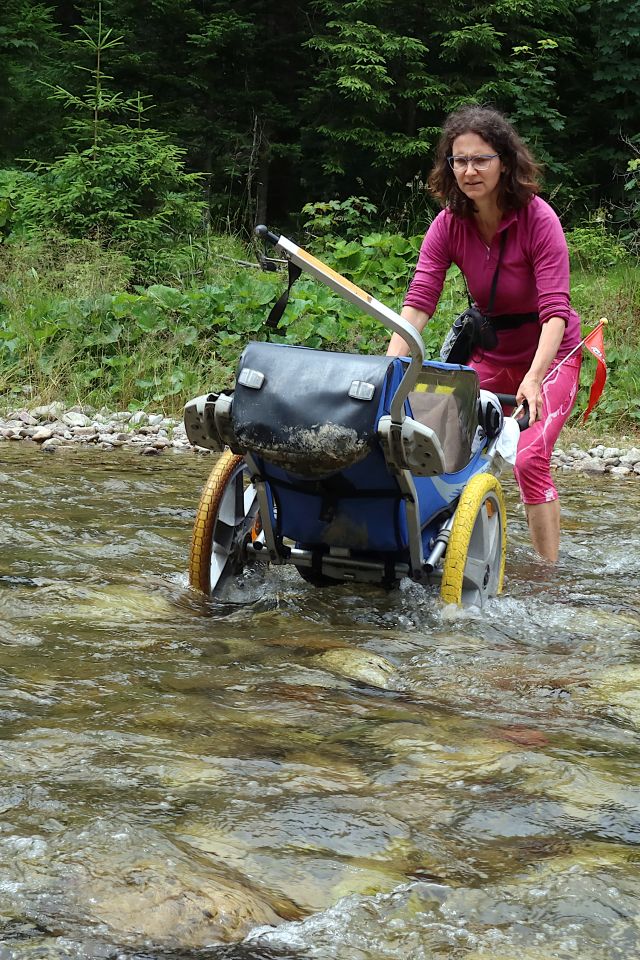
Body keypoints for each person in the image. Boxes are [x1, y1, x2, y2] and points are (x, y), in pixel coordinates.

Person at [387, 104, 581, 563]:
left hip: (550, 357)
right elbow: (418, 305)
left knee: (530, 456)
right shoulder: (449, 224)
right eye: (459, 160)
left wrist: (532, 379)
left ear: (505, 162)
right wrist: (387, 372)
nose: (469, 171)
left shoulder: (539, 219)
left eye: (481, 160)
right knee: (430, 437)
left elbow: (556, 311)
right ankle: (431, 550)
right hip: (492, 356)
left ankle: (547, 578)